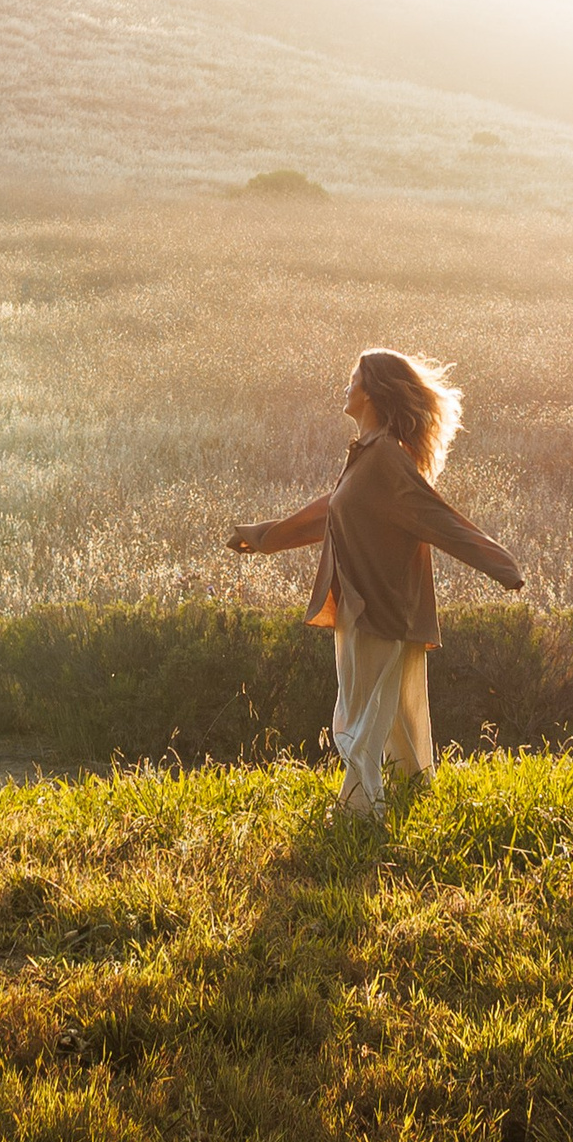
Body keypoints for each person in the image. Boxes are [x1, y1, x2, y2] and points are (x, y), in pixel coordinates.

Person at [227, 347, 524, 817]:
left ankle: (358, 813)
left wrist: (500, 564)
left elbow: (438, 518)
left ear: (373, 392)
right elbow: (331, 511)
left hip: (381, 605)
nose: (346, 387)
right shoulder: (367, 455)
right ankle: (411, 792)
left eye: (353, 379)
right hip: (362, 601)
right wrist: (263, 537)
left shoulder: (386, 457)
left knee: (361, 714)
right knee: (393, 713)